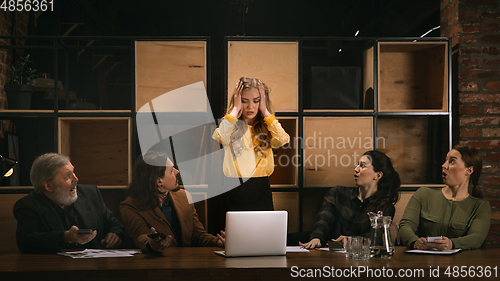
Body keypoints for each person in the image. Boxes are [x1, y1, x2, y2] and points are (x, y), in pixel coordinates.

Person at [13, 153, 126, 254]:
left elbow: (114, 224)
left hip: (96, 268)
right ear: (48, 186)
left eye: (73, 172)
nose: (76, 179)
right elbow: (26, 242)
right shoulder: (28, 205)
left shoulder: (90, 194)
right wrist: (66, 237)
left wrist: (115, 234)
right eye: (68, 176)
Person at [120, 150, 225, 253]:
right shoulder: (130, 206)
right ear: (159, 181)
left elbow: (198, 235)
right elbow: (140, 236)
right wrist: (152, 243)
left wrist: (218, 242)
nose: (177, 171)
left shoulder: (183, 196)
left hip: (187, 263)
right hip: (154, 265)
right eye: (171, 170)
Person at [212, 77, 290, 211]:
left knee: (263, 231)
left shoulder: (267, 127)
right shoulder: (231, 127)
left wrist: (265, 111)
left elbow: (282, 139)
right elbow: (219, 136)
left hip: (261, 191)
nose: (250, 106)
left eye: (256, 101)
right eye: (244, 101)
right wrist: (236, 109)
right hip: (234, 191)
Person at [299, 150, 401, 249]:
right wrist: (316, 237)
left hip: (362, 260)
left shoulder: (385, 207)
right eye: (357, 165)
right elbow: (323, 220)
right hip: (329, 256)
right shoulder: (337, 193)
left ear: (378, 175)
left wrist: (351, 240)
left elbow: (374, 237)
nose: (356, 169)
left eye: (362, 166)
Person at [399, 145, 491, 251]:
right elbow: (406, 225)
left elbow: (477, 237)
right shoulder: (423, 194)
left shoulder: (480, 206)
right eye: (445, 160)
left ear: (469, 170)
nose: (444, 165)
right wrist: (414, 242)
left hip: (459, 264)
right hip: (422, 262)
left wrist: (452, 244)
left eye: (452, 161)